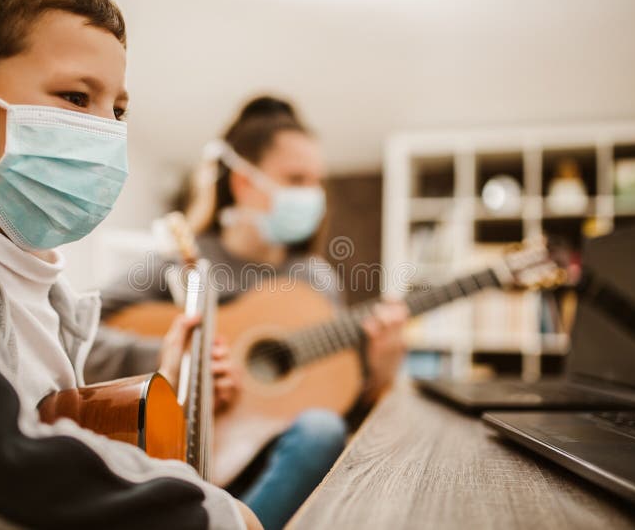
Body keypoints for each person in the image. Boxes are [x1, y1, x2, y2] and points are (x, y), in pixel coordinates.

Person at [0, 0, 261, 529]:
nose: (108, 132)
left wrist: (160, 395)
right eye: (77, 97)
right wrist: (214, 516)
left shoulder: (51, 297)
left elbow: (64, 438)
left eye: (118, 110)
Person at [93, 96, 409, 529]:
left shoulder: (316, 279)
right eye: (296, 178)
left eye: (317, 181)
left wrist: (380, 373)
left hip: (282, 472)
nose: (312, 195)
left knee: (321, 429)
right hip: (187, 455)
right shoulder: (178, 258)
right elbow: (82, 332)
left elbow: (339, 405)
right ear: (244, 182)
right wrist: (179, 364)